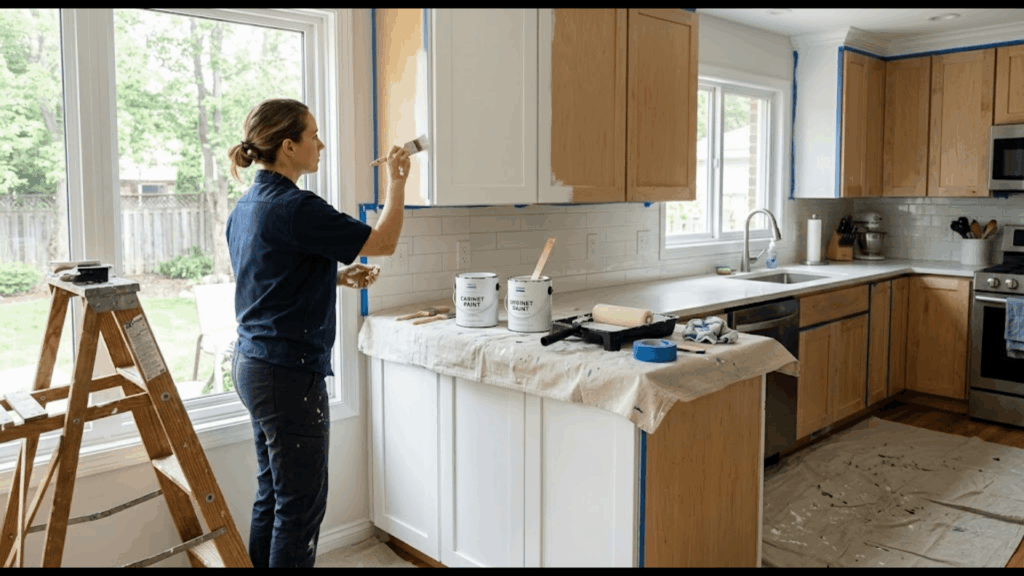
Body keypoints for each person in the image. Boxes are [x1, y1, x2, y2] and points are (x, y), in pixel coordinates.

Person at [224, 98, 410, 568]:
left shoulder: (247, 205)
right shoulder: (296, 206)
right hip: (287, 375)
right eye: (313, 135)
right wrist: (397, 182)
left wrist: (336, 276)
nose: (321, 144)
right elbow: (383, 242)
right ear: (289, 146)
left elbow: (269, 279)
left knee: (274, 493)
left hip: (252, 365)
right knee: (300, 508)